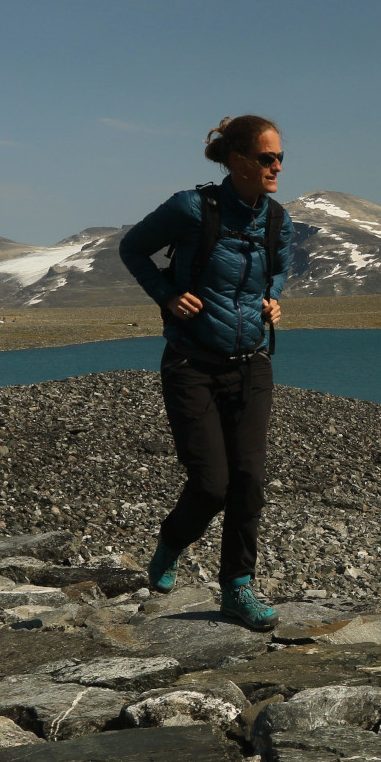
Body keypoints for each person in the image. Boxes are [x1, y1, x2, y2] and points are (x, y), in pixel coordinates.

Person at [118, 114, 292, 630]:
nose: (277, 165)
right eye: (267, 158)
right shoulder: (192, 208)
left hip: (252, 365)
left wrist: (273, 299)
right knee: (211, 484)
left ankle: (237, 588)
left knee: (248, 481)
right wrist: (167, 296)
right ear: (237, 160)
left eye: (281, 157)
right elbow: (132, 248)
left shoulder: (276, 218)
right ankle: (171, 542)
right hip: (192, 365)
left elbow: (280, 265)